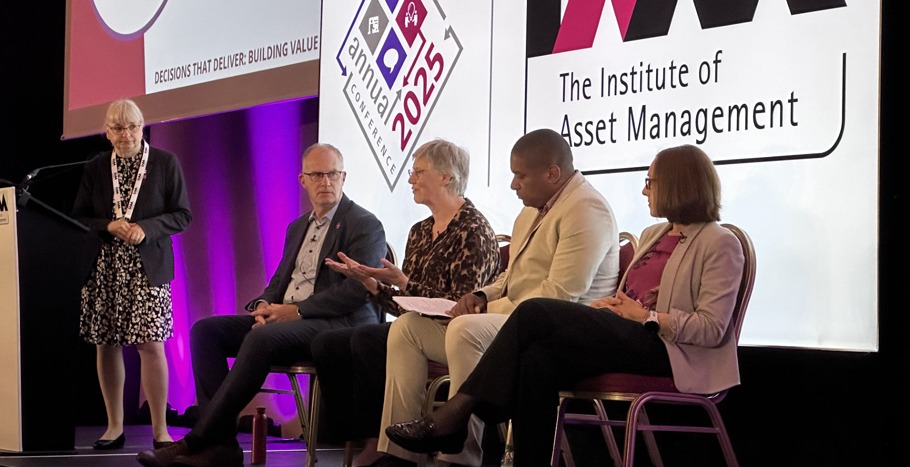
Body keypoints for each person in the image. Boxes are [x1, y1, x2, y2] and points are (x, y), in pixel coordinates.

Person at [385, 144, 746, 467]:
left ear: (679, 184)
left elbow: (713, 329)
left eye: (650, 182)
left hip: (668, 350)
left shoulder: (720, 243)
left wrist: (648, 316)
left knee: (536, 310)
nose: (644, 190)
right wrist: (616, 305)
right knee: (537, 360)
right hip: (625, 331)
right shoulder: (655, 235)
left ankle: (458, 413)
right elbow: (628, 295)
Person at [375, 129, 620, 467]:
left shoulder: (586, 209)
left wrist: (485, 307)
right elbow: (510, 278)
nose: (513, 185)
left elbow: (559, 295)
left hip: (558, 330)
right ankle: (396, 457)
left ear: (552, 173)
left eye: (520, 176)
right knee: (406, 329)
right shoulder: (531, 211)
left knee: (465, 329)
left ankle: (460, 456)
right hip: (512, 320)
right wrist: (480, 294)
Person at [137, 144, 387, 467]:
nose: (326, 181)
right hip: (289, 320)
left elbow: (358, 291)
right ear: (303, 180)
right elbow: (280, 279)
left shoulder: (364, 223)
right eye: (317, 175)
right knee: (205, 331)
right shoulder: (298, 227)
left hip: (337, 325)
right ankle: (223, 446)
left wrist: (296, 311)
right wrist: (264, 306)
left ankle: (197, 439)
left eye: (333, 174)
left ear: (343, 177)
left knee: (260, 339)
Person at [310, 139, 501, 467]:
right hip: (421, 328)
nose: (410, 179)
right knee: (328, 343)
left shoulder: (474, 230)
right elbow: (407, 305)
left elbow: (463, 307)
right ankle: (364, 440)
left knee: (368, 338)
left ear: (445, 177)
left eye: (418, 172)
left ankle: (383, 446)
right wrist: (370, 283)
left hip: (460, 334)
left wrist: (404, 283)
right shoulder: (419, 231)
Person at [73, 99, 192, 450]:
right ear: (106, 132)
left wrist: (147, 227)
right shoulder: (96, 166)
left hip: (147, 269)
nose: (126, 134)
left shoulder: (165, 163)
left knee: (151, 344)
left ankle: (160, 430)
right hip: (105, 268)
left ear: (143, 126)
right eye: (118, 128)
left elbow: (183, 215)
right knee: (106, 345)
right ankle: (114, 426)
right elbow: (78, 218)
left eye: (133, 127)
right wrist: (108, 225)